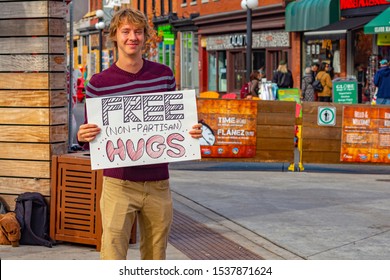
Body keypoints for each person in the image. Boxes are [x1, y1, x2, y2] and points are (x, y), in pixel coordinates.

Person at [77, 8, 202, 260]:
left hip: (158, 183)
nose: (132, 37)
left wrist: (192, 131)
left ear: (146, 36)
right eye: (125, 31)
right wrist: (84, 135)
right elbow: (94, 140)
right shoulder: (98, 83)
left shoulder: (163, 75)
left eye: (138, 31)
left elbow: (174, 123)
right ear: (115, 36)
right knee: (112, 254)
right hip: (118, 184)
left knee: (156, 257)